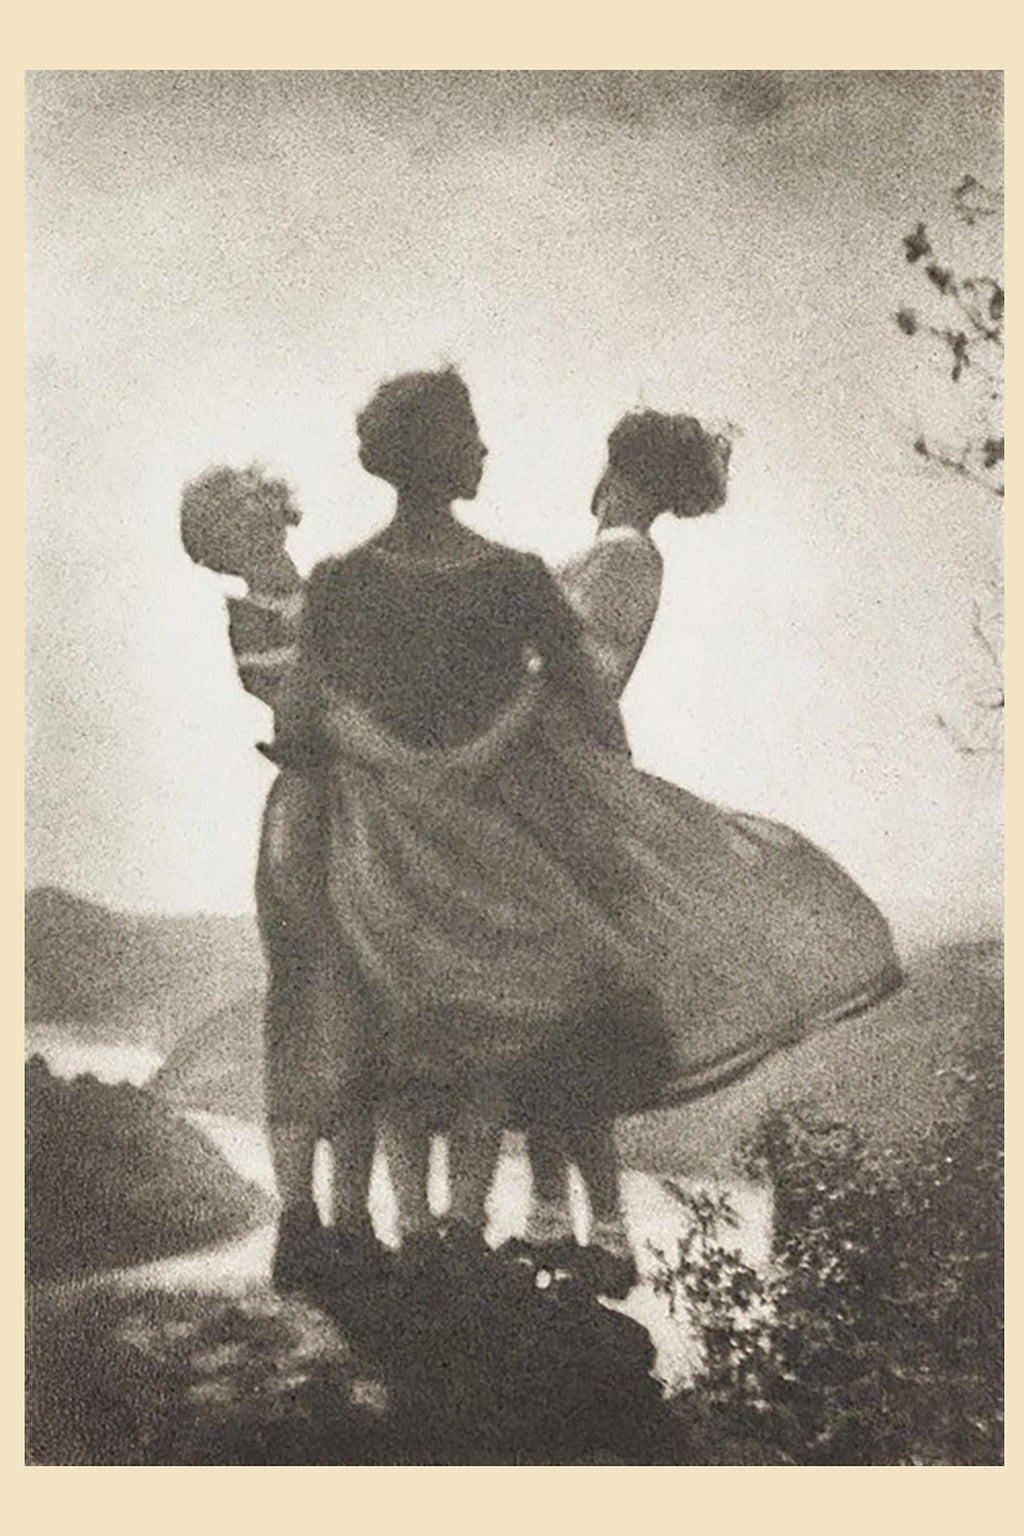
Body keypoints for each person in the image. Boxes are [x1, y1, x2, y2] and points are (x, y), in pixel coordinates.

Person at [267, 367, 666, 1283]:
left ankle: (417, 1228)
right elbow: (589, 704)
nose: (485, 447)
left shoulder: (338, 580)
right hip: (483, 844)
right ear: (435, 452)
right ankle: (459, 1229)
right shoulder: (518, 578)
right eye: (470, 432)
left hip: (373, 843)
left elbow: (299, 719)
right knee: (495, 1029)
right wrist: (487, 749)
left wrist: (394, 759)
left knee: (401, 1030)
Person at [180, 465, 381, 1298]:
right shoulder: (253, 618)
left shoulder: (332, 589)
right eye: (228, 522)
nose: (251, 523)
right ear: (217, 547)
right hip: (313, 807)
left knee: (366, 1004)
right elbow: (306, 702)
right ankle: (300, 1221)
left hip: (363, 802)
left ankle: (353, 1219)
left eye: (251, 505)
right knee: (302, 1004)